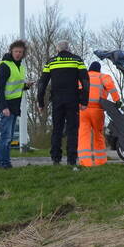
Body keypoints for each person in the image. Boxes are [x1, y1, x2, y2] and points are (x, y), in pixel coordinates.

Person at [37, 41, 89, 169]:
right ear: (69, 49)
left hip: (57, 100)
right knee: (72, 130)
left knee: (57, 129)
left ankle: (56, 159)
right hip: (73, 99)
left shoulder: (51, 62)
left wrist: (40, 102)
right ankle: (71, 160)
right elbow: (85, 81)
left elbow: (42, 84)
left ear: (57, 50)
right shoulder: (77, 60)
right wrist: (84, 101)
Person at [0, 39, 30, 169]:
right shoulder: (5, 65)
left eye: (20, 52)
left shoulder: (19, 66)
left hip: (14, 106)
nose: (18, 54)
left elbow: (15, 86)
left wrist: (25, 86)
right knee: (6, 137)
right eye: (16, 51)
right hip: (7, 106)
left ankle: (5, 162)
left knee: (8, 138)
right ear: (11, 51)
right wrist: (3, 107)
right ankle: (3, 163)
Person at [78, 61, 121, 167]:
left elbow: (76, 91)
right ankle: (101, 162)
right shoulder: (103, 77)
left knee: (84, 136)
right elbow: (112, 88)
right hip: (98, 111)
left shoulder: (82, 77)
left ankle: (85, 162)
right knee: (98, 135)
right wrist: (117, 100)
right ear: (99, 69)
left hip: (83, 110)